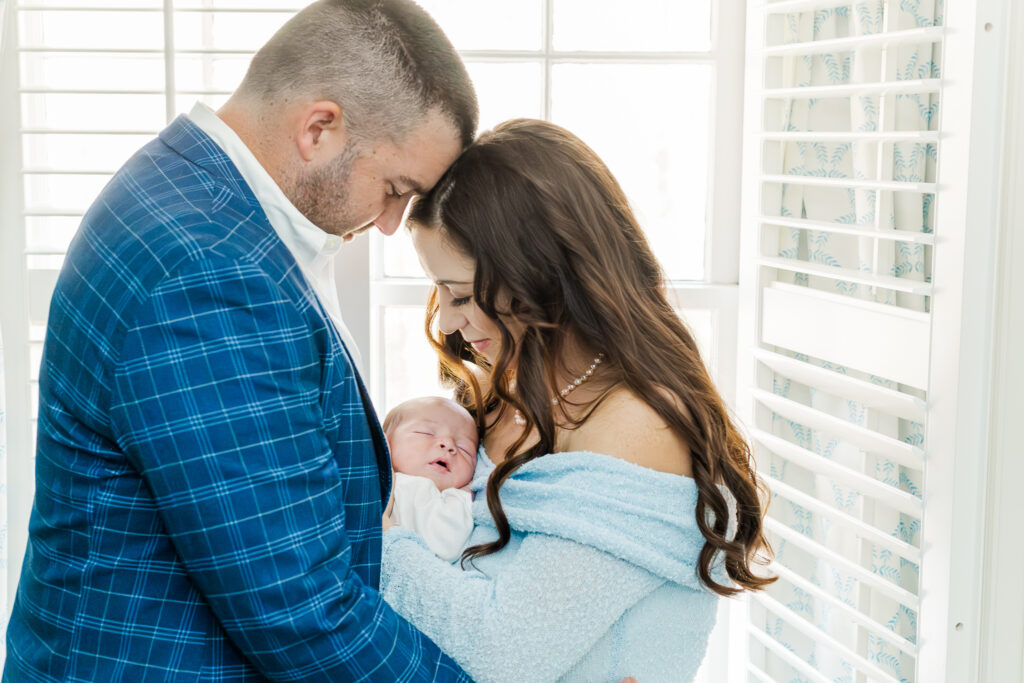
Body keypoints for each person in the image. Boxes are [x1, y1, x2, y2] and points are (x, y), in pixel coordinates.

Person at [4, 1, 479, 680]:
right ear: (320, 127)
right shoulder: (211, 273)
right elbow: (302, 609)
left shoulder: (187, 185)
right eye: (395, 188)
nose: (388, 223)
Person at [379, 119, 776, 682]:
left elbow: (501, 652)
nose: (445, 320)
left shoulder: (638, 426)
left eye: (462, 294)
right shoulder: (503, 389)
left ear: (542, 274)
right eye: (437, 290)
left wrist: (380, 541)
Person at [382, 397, 478, 562]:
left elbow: (445, 545)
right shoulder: (401, 484)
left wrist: (465, 493)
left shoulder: (439, 499)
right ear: (386, 443)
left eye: (464, 448)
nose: (448, 444)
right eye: (425, 433)